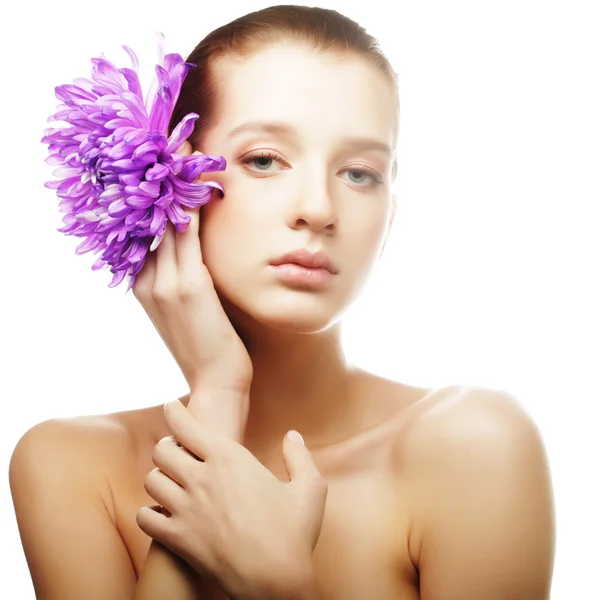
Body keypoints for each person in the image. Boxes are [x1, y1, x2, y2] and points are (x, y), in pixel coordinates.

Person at [9, 4, 555, 599]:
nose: (319, 208)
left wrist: (279, 584)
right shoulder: (73, 467)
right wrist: (218, 392)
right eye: (264, 160)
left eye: (360, 173)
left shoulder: (473, 447)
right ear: (167, 180)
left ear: (390, 215)